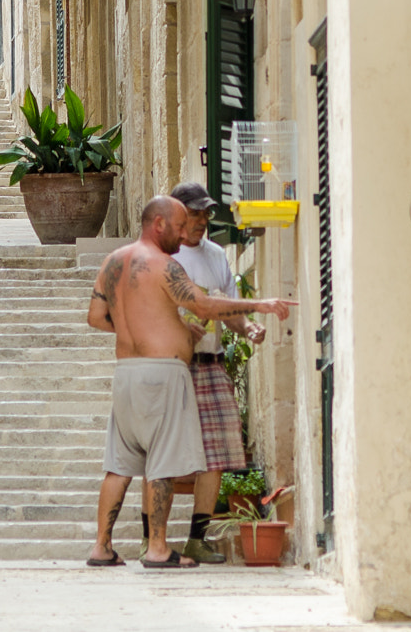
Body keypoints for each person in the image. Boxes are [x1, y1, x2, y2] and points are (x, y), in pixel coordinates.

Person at [84, 196, 290, 568]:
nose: (183, 235)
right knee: (160, 462)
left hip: (127, 373)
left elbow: (96, 317)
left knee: (119, 465)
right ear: (158, 224)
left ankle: (102, 546)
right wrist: (259, 304)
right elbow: (204, 306)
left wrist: (154, 327)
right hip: (162, 376)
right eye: (179, 226)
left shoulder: (113, 262)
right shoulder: (166, 266)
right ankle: (158, 549)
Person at [168, 181, 260, 565]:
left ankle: (197, 539)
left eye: (206, 213)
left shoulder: (218, 255)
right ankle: (150, 538)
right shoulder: (164, 258)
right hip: (172, 365)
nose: (203, 220)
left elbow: (227, 308)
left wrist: (249, 327)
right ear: (176, 215)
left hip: (211, 361)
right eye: (195, 213)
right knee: (164, 454)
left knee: (218, 455)